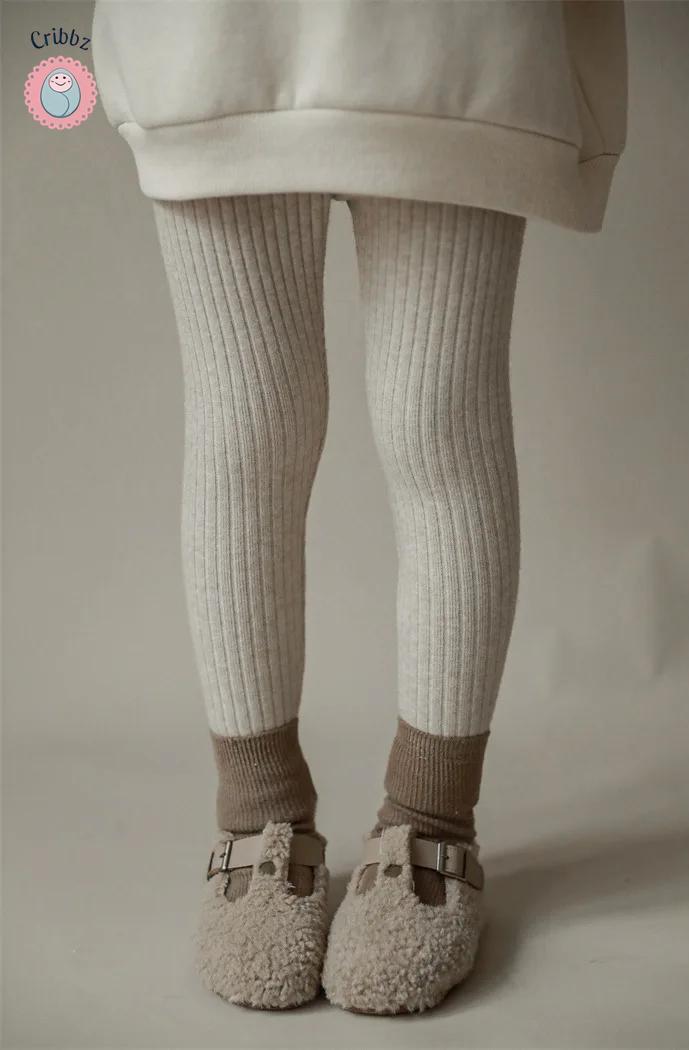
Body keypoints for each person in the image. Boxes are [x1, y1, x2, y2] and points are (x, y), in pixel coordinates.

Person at [92, 0, 628, 1015]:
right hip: (215, 35)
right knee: (247, 424)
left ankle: (433, 818)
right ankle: (256, 810)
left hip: (449, 35)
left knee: (439, 424)